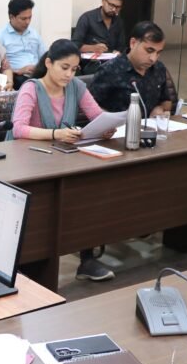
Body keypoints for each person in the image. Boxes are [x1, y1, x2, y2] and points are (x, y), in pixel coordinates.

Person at [13, 39, 115, 283]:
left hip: (63, 157)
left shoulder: (76, 86)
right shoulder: (31, 88)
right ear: (49, 63)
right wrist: (55, 134)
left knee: (88, 192)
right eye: (64, 67)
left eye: (74, 69)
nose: (69, 75)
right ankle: (29, 263)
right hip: (31, 160)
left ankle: (87, 259)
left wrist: (106, 127)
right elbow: (19, 129)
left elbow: (97, 116)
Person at [88, 21, 178, 117]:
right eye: (149, 50)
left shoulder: (158, 68)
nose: (153, 58)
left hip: (151, 125)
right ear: (133, 43)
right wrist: (110, 120)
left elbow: (167, 101)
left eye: (158, 52)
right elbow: (89, 107)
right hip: (119, 125)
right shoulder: (109, 70)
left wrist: (160, 108)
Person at [0, 0, 45, 89]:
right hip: (18, 77)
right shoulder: (0, 37)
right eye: (23, 19)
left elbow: (44, 56)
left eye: (30, 18)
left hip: (39, 74)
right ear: (11, 17)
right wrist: (18, 71)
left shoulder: (34, 33)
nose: (27, 22)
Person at [72, 0, 127, 65]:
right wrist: (93, 48)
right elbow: (74, 45)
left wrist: (118, 52)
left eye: (118, 7)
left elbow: (121, 46)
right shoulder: (87, 18)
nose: (114, 9)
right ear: (103, 0)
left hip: (111, 64)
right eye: (111, 5)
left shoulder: (118, 21)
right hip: (90, 64)